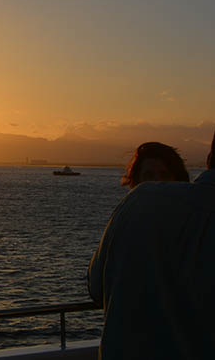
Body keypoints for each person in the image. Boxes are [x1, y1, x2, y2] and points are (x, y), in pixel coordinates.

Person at [88, 131, 215, 359]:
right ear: (133, 182)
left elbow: (96, 287)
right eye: (148, 177)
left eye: (164, 175)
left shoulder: (135, 205)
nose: (157, 184)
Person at [120, 141, 190, 188]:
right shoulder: (130, 209)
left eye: (164, 176)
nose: (157, 181)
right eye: (149, 176)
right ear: (137, 180)